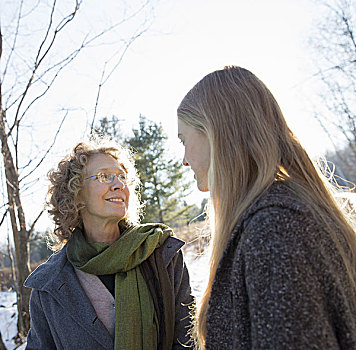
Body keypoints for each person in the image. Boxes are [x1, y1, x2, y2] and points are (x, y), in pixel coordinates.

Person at [177, 66, 356, 349]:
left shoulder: (274, 229)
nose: (184, 160)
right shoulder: (283, 216)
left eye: (183, 140)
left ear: (216, 133)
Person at [24, 140, 194, 350]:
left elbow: (188, 339)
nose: (119, 185)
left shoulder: (160, 252)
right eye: (104, 176)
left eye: (122, 177)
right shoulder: (48, 285)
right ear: (76, 194)